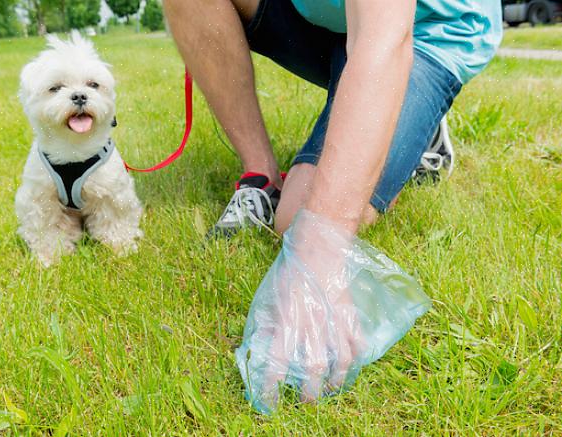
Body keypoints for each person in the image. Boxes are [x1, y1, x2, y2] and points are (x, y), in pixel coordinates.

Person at [164, 0, 502, 409]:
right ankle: (260, 174)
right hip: (326, 21)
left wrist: (318, 252)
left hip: (422, 30)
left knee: (299, 217)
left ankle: (411, 114)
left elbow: (382, 35)